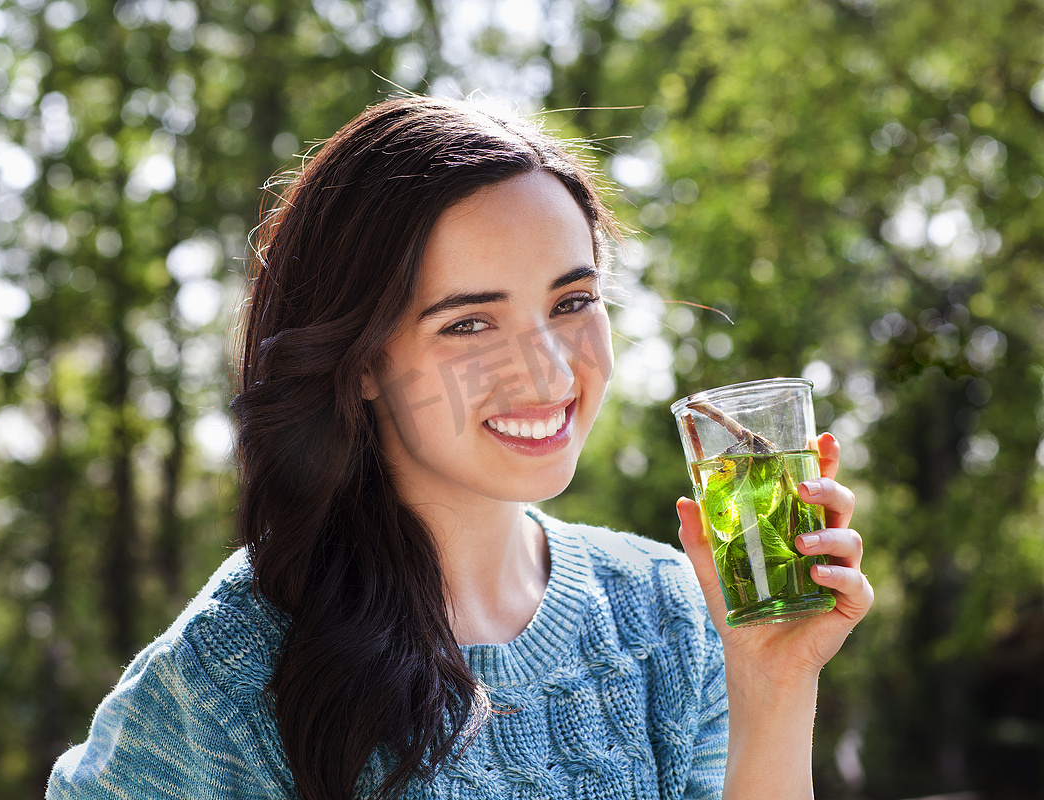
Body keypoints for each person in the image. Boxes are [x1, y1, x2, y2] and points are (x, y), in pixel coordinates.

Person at [47, 95, 873, 800]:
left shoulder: (667, 611)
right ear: (362, 359)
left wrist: (773, 679)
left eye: (573, 300)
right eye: (470, 323)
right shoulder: (238, 668)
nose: (548, 370)